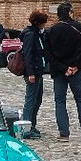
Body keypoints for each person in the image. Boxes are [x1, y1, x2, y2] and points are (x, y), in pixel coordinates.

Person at [43, 2, 81, 141]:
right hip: (77, 70)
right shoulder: (80, 28)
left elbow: (48, 53)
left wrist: (63, 67)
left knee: (60, 101)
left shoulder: (52, 31)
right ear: (70, 12)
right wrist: (77, 66)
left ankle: (64, 133)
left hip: (59, 71)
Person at [20, 9, 48, 139]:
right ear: (39, 22)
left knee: (37, 99)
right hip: (32, 73)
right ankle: (26, 128)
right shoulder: (30, 35)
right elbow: (28, 54)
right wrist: (30, 73)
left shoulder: (37, 34)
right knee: (30, 101)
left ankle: (32, 124)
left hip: (38, 71)